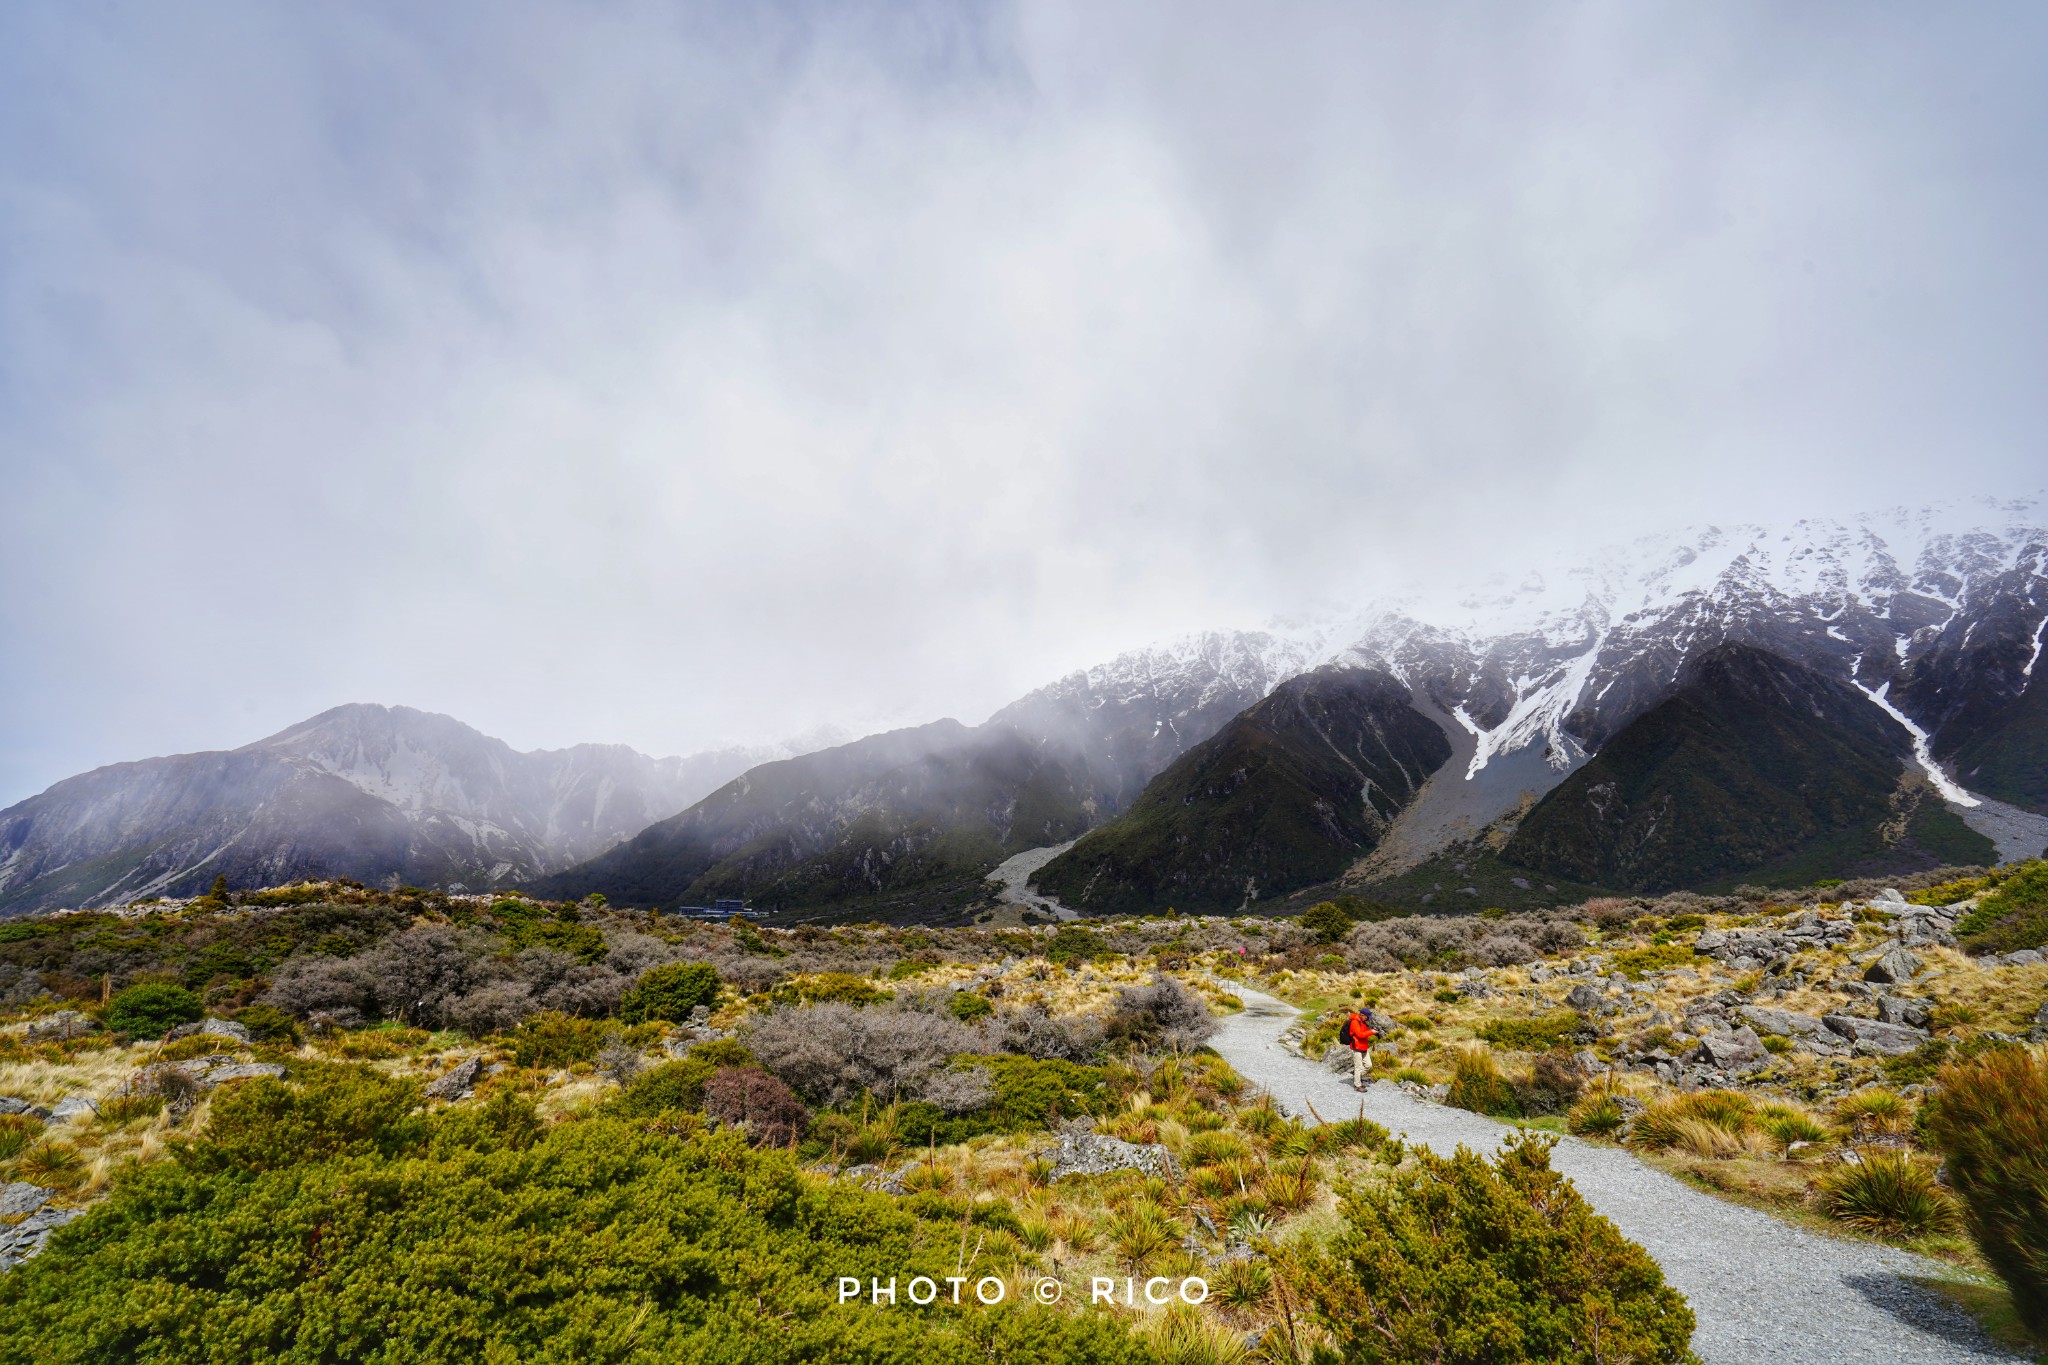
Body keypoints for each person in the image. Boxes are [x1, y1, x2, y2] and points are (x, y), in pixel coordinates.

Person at [1342, 997, 1376, 1090]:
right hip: (1356, 1047)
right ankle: (1357, 1085)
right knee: (1358, 1067)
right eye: (1368, 1017)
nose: (1368, 1019)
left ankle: (1357, 1078)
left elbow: (1364, 1033)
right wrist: (1371, 1032)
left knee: (1368, 1065)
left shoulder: (1363, 1022)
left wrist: (1371, 1032)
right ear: (1363, 1015)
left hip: (1364, 1047)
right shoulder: (1355, 1022)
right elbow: (1360, 1035)